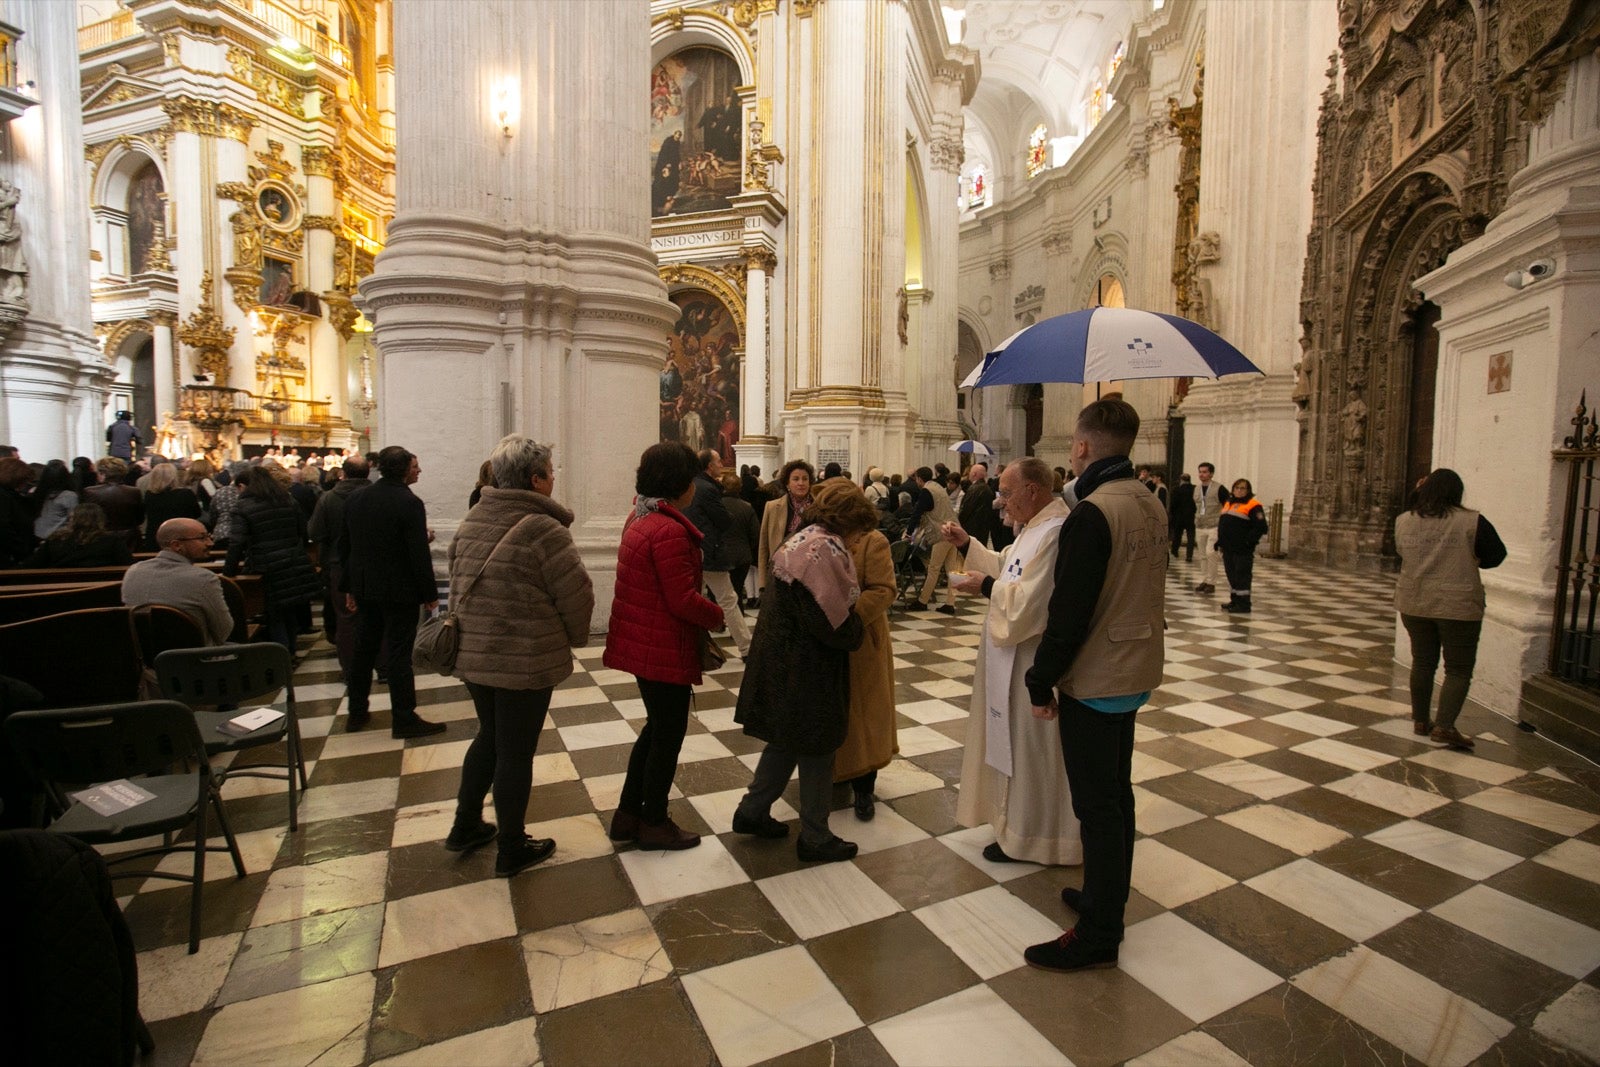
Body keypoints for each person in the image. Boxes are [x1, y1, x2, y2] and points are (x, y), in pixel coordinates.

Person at [1022, 398, 1167, 973]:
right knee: (1116, 795)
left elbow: (1070, 612)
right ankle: (1107, 896)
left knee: (1098, 805)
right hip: (1134, 664)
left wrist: (1041, 679)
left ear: (1080, 446)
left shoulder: (1093, 512)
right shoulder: (1150, 501)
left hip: (1098, 674)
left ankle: (1100, 932)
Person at [446, 435, 595, 877]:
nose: (554, 479)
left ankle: (466, 823)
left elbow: (455, 576)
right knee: (515, 751)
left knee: (489, 736)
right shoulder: (542, 528)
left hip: (476, 653)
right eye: (551, 472)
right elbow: (577, 594)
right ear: (536, 479)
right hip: (522, 657)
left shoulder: (474, 518)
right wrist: (574, 635)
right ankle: (511, 846)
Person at [941, 457, 1080, 866]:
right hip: (1011, 658)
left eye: (1006, 492)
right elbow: (1009, 567)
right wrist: (969, 545)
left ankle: (1039, 838)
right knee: (1013, 744)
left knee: (1032, 749)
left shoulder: (1054, 532)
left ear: (1032, 491)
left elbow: (1030, 603)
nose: (1001, 502)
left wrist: (984, 586)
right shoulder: (1033, 529)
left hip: (1031, 659)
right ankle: (1012, 826)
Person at [733, 479, 871, 862]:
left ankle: (751, 811)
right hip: (805, 670)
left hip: (780, 661)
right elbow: (831, 624)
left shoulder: (801, 538)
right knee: (817, 747)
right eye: (859, 530)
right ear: (848, 521)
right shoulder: (822, 552)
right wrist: (856, 629)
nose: (859, 541)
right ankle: (815, 836)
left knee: (786, 740)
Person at [604, 442, 725, 849]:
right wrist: (717, 614)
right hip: (662, 646)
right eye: (690, 479)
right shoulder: (669, 530)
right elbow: (681, 600)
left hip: (645, 642)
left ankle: (627, 815)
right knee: (666, 736)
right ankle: (653, 821)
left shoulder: (640, 518)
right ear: (678, 483)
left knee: (656, 730)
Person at [339, 446, 446, 739]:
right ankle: (403, 718)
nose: (419, 471)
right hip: (399, 590)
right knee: (399, 654)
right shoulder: (408, 502)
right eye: (415, 467)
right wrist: (430, 592)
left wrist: (348, 587)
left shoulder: (356, 498)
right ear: (402, 470)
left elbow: (347, 546)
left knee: (364, 650)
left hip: (365, 587)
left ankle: (356, 712)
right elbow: (417, 553)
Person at [1395, 469, 1506, 749]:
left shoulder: (1404, 520)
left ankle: (1421, 720)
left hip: (1414, 601)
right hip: (1457, 605)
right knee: (1457, 668)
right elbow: (1496, 555)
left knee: (1422, 661)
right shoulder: (1472, 521)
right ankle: (1444, 726)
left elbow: (1401, 551)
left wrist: (1416, 494)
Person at [832, 488, 897, 822]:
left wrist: (847, 618)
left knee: (866, 712)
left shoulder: (874, 541)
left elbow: (884, 590)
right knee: (837, 710)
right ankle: (835, 773)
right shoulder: (824, 538)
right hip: (828, 641)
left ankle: (864, 787)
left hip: (862, 637)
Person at [224, 466, 320, 653]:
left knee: (274, 613)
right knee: (289, 610)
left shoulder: (243, 506)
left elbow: (237, 542)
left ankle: (281, 655)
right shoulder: (287, 500)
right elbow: (303, 531)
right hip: (293, 560)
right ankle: (290, 650)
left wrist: (228, 573)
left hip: (265, 564)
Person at [307, 454, 372, 681]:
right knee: (377, 616)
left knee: (346, 619)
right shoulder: (374, 496)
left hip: (338, 565)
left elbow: (315, 532)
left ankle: (350, 670)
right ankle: (383, 668)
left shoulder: (328, 498)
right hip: (372, 564)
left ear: (343, 473)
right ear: (368, 471)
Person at [122, 518, 233, 645]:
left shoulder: (133, 571)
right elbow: (224, 631)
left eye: (209, 536)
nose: (210, 543)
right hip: (198, 658)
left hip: (146, 659)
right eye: (202, 538)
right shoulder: (204, 579)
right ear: (176, 545)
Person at [684, 449, 748, 657]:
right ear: (709, 466)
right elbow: (724, 519)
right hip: (709, 551)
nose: (722, 464)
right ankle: (747, 648)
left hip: (690, 550)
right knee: (728, 600)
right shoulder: (708, 489)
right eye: (719, 461)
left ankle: (692, 647)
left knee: (693, 601)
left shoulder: (688, 485)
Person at [905, 466, 959, 615]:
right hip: (953, 530)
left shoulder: (926, 491)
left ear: (919, 479)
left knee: (934, 568)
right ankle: (950, 603)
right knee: (951, 570)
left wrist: (909, 532)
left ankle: (923, 601)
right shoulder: (939, 488)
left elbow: (917, 513)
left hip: (942, 533)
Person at [757, 459, 815, 589]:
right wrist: (762, 583)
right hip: (781, 573)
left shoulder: (819, 507)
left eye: (805, 479)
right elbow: (763, 547)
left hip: (812, 574)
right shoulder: (772, 507)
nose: (801, 483)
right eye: (795, 479)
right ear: (787, 483)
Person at [23, 502, 133, 569]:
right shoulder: (111, 540)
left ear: (73, 519)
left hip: (61, 587)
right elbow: (129, 564)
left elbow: (31, 564)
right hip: (102, 587)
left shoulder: (56, 539)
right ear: (101, 520)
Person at [1216, 478, 1268, 613]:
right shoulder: (1229, 503)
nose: (1239, 491)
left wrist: (1248, 542)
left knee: (1242, 576)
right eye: (1237, 488)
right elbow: (1224, 524)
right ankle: (1235, 600)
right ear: (1233, 489)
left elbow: (1261, 527)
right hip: (1228, 548)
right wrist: (1220, 541)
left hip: (1242, 549)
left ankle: (1244, 604)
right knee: (1231, 575)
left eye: (1242, 488)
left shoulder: (1253, 505)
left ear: (1248, 490)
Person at [82, 457, 143, 550]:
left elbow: (87, 518)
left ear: (103, 474)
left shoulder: (90, 492)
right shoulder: (134, 491)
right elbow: (139, 518)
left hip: (100, 538)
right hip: (130, 538)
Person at [139, 462, 202, 552]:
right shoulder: (186, 494)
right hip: (182, 538)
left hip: (156, 538)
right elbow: (197, 514)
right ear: (174, 476)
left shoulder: (149, 495)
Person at [720, 470, 759, 611]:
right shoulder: (747, 507)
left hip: (722, 554)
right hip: (743, 555)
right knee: (736, 589)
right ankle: (738, 624)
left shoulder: (717, 505)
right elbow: (755, 534)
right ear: (740, 487)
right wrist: (748, 547)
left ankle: (721, 623)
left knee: (722, 593)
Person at [1189, 462, 1228, 593]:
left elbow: (1227, 505)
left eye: (1205, 472)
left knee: (1211, 553)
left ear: (1211, 473)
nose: (1202, 474)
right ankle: (1205, 580)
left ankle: (1211, 582)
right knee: (1202, 555)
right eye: (1200, 472)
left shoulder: (1219, 488)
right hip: (1200, 525)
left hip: (1214, 525)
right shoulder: (1196, 488)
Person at [31, 461, 78, 541]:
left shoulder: (36, 493)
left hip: (36, 534)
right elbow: (74, 519)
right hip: (58, 536)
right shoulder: (69, 496)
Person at [957, 462, 995, 549]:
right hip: (983, 529)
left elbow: (966, 509)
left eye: (970, 472)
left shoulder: (974, 488)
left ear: (974, 474)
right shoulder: (987, 488)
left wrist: (959, 523)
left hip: (972, 529)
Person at [1169, 473, 1196, 558]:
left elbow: (1173, 504)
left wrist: (1172, 515)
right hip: (1190, 516)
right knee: (1191, 536)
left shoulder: (1176, 489)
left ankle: (1175, 551)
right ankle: (1189, 555)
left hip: (1179, 516)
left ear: (1181, 480)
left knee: (1177, 535)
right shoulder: (1195, 489)